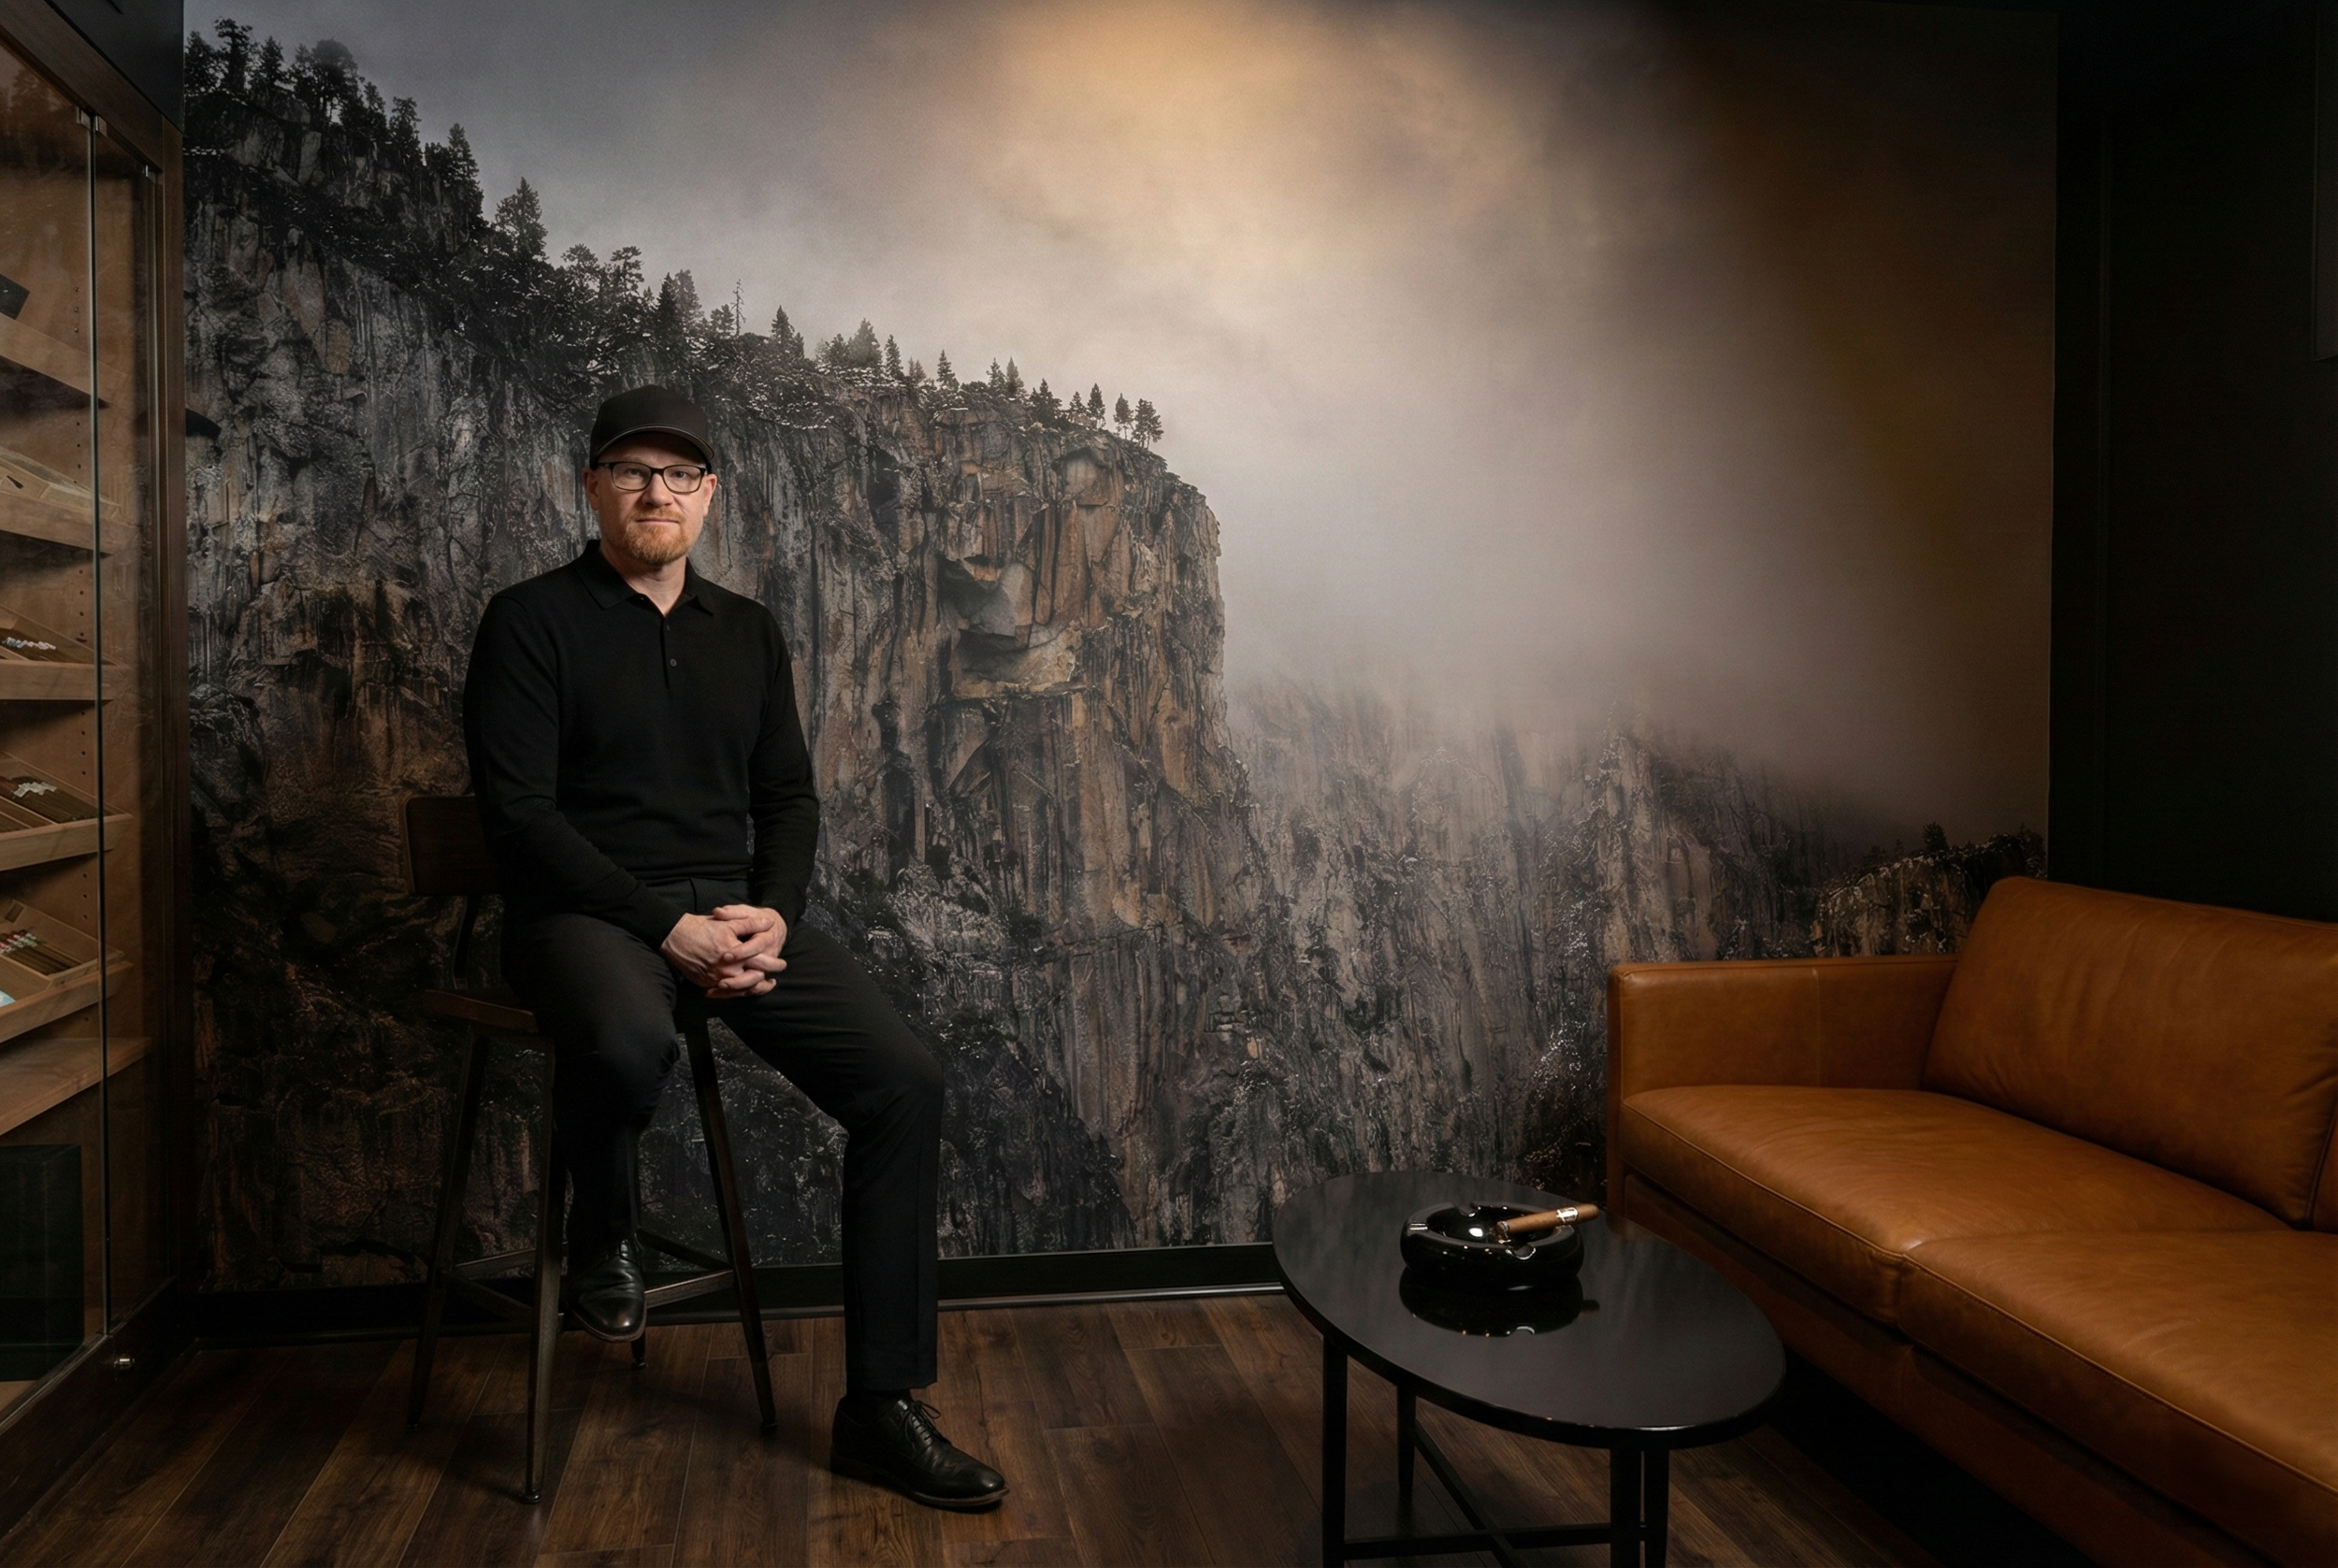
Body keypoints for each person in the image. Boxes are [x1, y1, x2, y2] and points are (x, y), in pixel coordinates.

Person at [462, 384, 1006, 1511]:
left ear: (709, 495)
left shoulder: (747, 631)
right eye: (631, 471)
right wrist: (666, 927)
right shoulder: (528, 620)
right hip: (580, 916)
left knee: (903, 1082)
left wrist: (775, 914)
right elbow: (518, 818)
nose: (655, 492)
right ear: (591, 487)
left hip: (730, 914)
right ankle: (602, 1230)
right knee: (627, 1039)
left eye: (679, 474)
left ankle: (882, 1406)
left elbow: (788, 799)